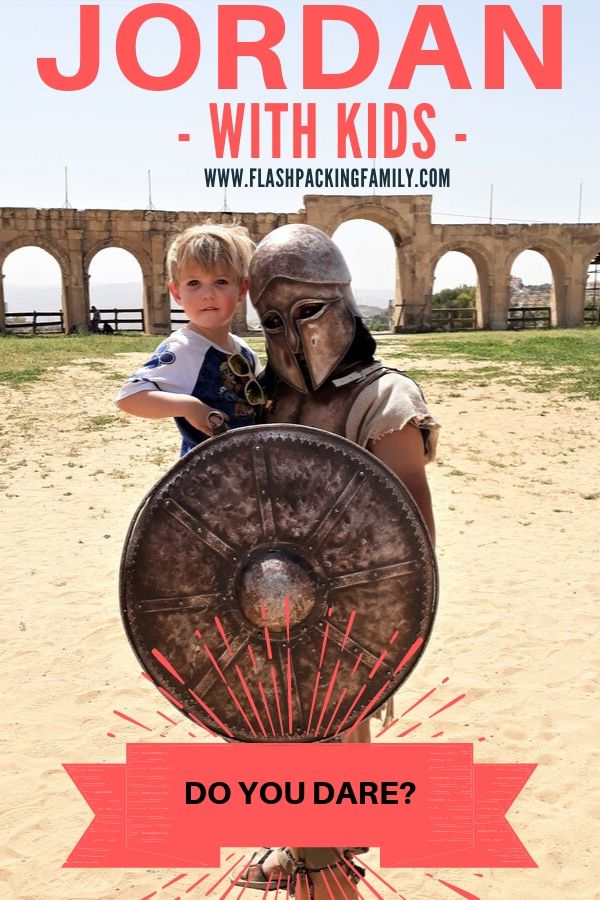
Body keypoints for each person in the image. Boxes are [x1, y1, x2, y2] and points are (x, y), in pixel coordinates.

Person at [239, 224, 439, 899]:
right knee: (281, 738)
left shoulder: (383, 401)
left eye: (307, 311)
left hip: (344, 614)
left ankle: (321, 857)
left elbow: (409, 537)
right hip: (268, 601)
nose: (293, 338)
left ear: (343, 301)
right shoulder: (267, 399)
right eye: (273, 320)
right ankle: (303, 839)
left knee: (328, 746)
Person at [115, 223, 261, 455]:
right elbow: (130, 397)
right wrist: (189, 406)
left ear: (242, 290)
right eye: (194, 283)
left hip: (249, 473)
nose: (207, 294)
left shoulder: (244, 350)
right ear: (176, 293)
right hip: (206, 479)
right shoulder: (183, 347)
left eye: (221, 282)